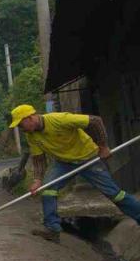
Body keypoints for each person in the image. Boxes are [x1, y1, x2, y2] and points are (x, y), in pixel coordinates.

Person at [10, 104, 140, 243]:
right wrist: (37, 180)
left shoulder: (59, 119)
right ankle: (52, 229)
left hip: (88, 158)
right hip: (64, 163)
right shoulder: (32, 136)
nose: (21, 129)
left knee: (114, 194)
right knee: (48, 190)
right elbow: (39, 159)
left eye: (21, 125)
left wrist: (102, 146)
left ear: (30, 118)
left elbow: (95, 121)